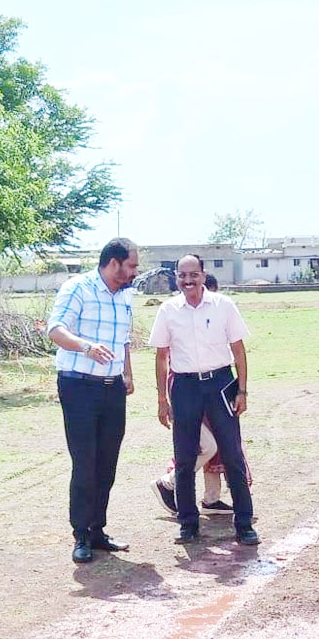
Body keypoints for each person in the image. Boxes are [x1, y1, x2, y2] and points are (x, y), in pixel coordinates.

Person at [148, 255, 259, 545]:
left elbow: (238, 349)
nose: (188, 281)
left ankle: (244, 523)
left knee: (232, 454)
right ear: (176, 277)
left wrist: (242, 390)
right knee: (185, 458)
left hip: (221, 384)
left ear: (203, 274)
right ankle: (188, 524)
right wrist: (162, 398)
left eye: (193, 275)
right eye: (182, 275)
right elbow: (161, 357)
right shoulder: (168, 310)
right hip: (184, 386)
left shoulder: (224, 306)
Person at [47, 237, 140, 563]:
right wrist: (87, 347)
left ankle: (98, 530)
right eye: (131, 265)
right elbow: (55, 330)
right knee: (85, 463)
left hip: (112, 388)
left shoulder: (126, 295)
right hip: (79, 386)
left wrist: (127, 373)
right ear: (113, 263)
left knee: (107, 464)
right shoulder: (79, 288)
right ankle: (81, 535)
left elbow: (124, 339)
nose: (134, 272)